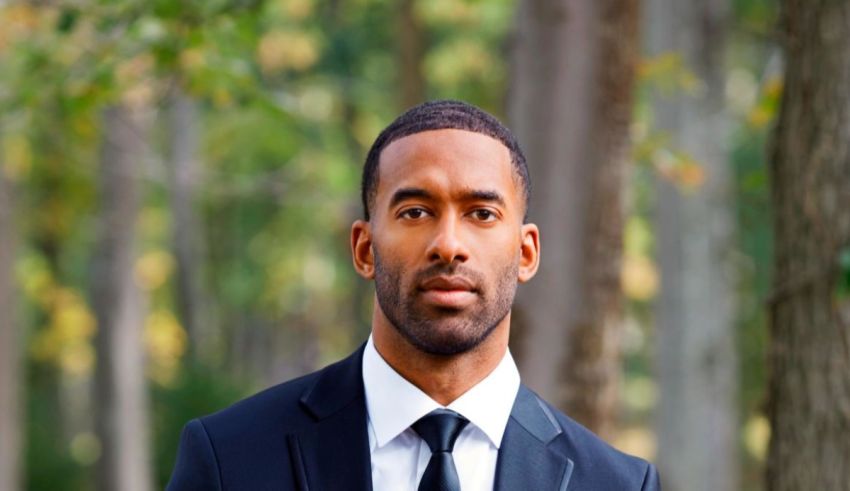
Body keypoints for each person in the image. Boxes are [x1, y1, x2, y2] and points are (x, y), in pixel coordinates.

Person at [166, 100, 661, 491]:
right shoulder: (230, 459)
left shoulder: (618, 483)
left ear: (527, 252)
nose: (448, 245)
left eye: (482, 214)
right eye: (416, 212)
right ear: (364, 248)